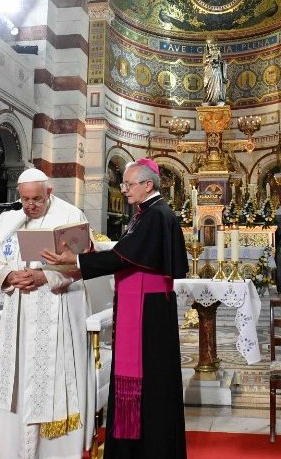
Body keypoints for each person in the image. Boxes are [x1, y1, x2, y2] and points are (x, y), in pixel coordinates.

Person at [42, 158, 187, 459]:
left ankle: (149, 449)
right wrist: (89, 251)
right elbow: (126, 252)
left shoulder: (156, 214)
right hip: (143, 305)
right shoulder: (146, 213)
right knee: (143, 378)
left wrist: (76, 260)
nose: (124, 189)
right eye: (124, 184)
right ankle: (135, 448)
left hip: (147, 311)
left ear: (148, 184)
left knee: (151, 380)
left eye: (129, 184)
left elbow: (125, 258)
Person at [0, 169, 90, 459]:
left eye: (37, 199)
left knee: (52, 378)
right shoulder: (8, 219)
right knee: (15, 379)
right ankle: (12, 449)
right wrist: (9, 275)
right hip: (18, 309)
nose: (30, 205)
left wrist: (46, 276)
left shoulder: (70, 215)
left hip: (57, 307)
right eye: (25, 199)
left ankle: (55, 452)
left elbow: (83, 262)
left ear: (49, 192)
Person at [202, 39, 226, 106]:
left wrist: (219, 62)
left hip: (217, 71)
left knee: (217, 85)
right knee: (209, 86)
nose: (212, 47)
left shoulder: (218, 52)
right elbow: (204, 62)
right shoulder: (206, 54)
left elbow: (221, 61)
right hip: (209, 71)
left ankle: (217, 98)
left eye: (213, 45)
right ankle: (209, 98)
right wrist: (210, 59)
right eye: (210, 45)